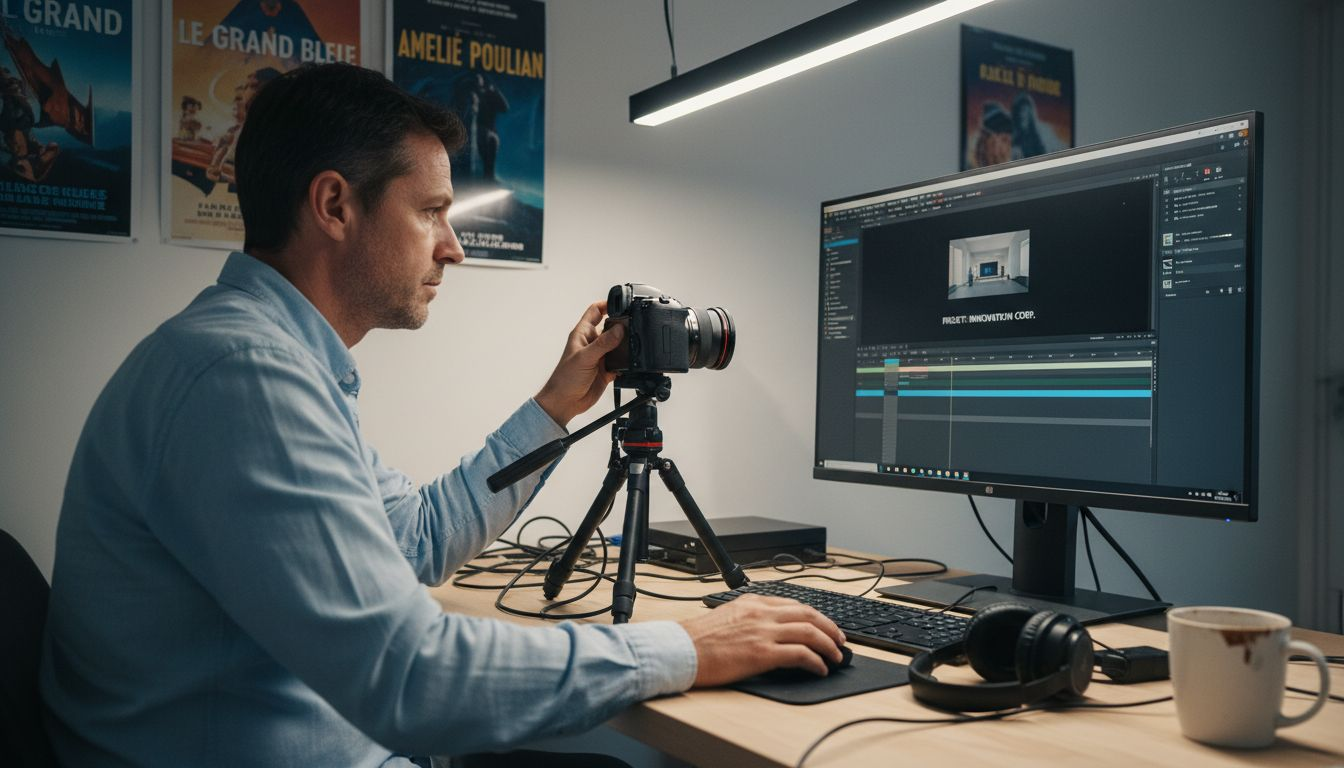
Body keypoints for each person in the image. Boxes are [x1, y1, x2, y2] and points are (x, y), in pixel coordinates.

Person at [39, 63, 844, 767]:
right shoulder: (242, 377)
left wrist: (554, 406)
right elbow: (408, 677)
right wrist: (687, 646)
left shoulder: (271, 362)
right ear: (334, 205)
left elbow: (414, 538)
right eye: (430, 212)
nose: (452, 247)